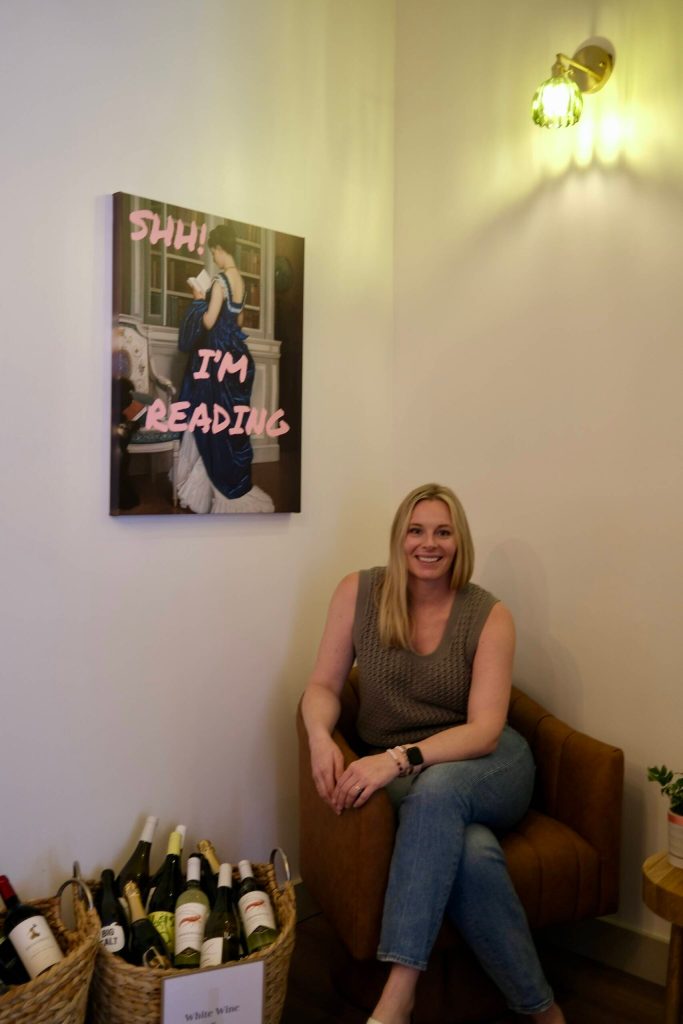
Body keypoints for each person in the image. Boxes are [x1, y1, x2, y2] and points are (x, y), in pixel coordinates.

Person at [301, 483, 566, 1024]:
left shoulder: (488, 614)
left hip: (489, 763)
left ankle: (398, 994)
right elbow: (324, 687)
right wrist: (319, 737)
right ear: (399, 539)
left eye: (442, 532)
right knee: (471, 852)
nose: (429, 543)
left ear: (458, 540)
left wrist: (396, 759)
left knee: (438, 791)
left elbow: (486, 730)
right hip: (414, 776)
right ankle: (543, 1010)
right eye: (416, 531)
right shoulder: (358, 593)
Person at [176, 222, 273, 513]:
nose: (214, 258)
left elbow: (207, 322)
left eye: (214, 253)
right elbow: (239, 322)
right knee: (228, 422)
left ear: (219, 250)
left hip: (216, 356)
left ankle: (207, 483)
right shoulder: (240, 280)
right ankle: (222, 479)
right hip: (235, 355)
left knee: (207, 416)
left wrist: (197, 300)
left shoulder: (219, 281)